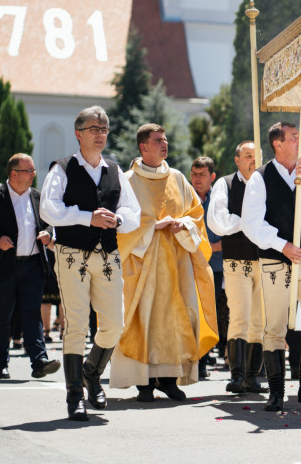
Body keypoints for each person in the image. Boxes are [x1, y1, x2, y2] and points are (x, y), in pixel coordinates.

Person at [41, 106, 141, 420]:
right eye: (94, 128)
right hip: (71, 254)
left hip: (107, 254)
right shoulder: (62, 168)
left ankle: (91, 373)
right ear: (79, 133)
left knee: (114, 324)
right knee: (77, 324)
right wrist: (87, 218)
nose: (100, 134)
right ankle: (74, 397)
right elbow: (48, 209)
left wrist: (119, 219)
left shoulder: (115, 170)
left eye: (103, 129)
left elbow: (133, 212)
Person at [109, 124, 218, 403]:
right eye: (158, 140)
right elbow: (118, 223)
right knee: (142, 320)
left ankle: (169, 379)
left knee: (172, 321)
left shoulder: (179, 179)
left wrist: (182, 224)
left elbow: (196, 214)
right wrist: (152, 227)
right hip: (140, 266)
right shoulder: (128, 181)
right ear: (143, 147)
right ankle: (142, 383)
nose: (164, 144)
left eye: (166, 140)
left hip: (176, 264)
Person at [241, 123, 301, 412]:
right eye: (293, 137)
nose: (299, 140)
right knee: (274, 326)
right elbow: (251, 223)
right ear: (278, 144)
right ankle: (276, 391)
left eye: (299, 136)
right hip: (276, 258)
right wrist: (281, 244)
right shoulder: (260, 178)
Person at [0, 154, 61, 382]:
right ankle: (1, 364)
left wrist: (47, 233)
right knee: (2, 316)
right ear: (14, 174)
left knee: (32, 314)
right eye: (29, 171)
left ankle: (39, 360)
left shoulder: (38, 197)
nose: (34, 174)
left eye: (33, 170)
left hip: (32, 265)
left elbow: (49, 223)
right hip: (4, 266)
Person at [207, 142, 267, 395]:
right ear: (237, 159)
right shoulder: (226, 183)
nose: (252, 161)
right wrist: (249, 223)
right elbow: (218, 220)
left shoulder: (267, 182)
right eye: (247, 156)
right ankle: (238, 374)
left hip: (264, 260)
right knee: (240, 314)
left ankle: (253, 376)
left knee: (260, 320)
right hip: (236, 259)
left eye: (256, 156)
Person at [190, 156, 224, 379]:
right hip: (193, 266)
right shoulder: (187, 198)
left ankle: (218, 354)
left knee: (217, 313)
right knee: (195, 314)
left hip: (217, 266)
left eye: (202, 175)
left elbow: (230, 234)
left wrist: (211, 247)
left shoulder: (220, 199)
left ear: (212, 177)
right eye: (194, 174)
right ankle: (199, 361)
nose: (197, 179)